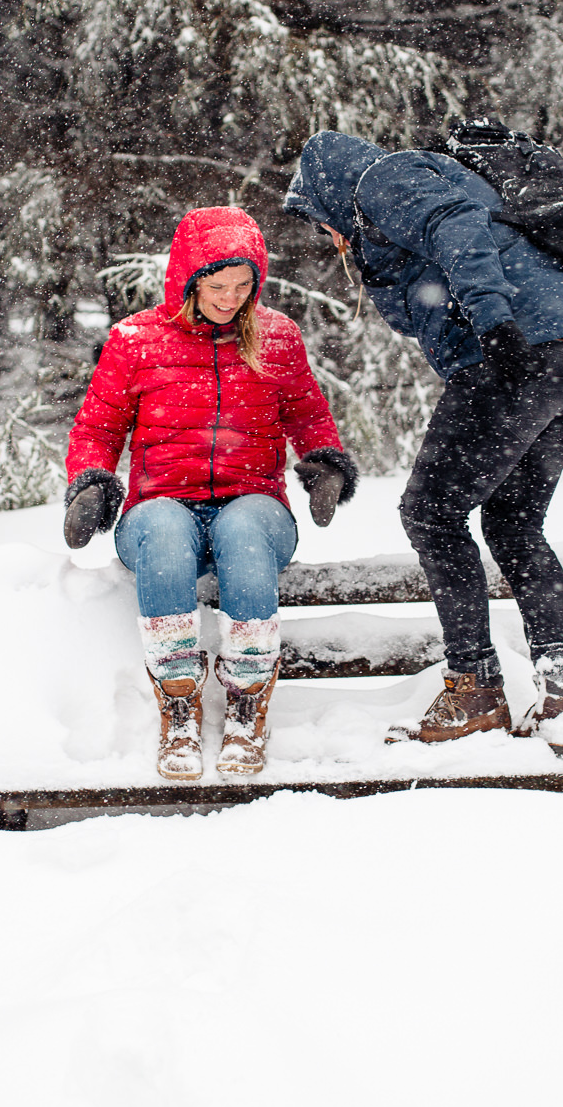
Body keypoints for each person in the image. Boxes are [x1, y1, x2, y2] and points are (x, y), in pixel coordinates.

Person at [283, 130, 563, 757]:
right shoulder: (406, 203)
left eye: (323, 222)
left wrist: (492, 318)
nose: (329, 237)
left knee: (430, 512)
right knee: (513, 526)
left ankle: (475, 688)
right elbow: (436, 278)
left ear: (328, 192)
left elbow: (459, 226)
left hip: (519, 353)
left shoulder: (382, 179)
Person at [62, 206, 357, 781]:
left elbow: (308, 415)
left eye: (244, 285)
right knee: (167, 533)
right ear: (188, 279)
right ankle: (179, 709)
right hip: (160, 506)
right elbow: (97, 428)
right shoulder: (135, 340)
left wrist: (324, 465)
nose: (231, 297)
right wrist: (92, 485)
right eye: (218, 285)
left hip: (255, 505)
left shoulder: (275, 337)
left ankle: (248, 709)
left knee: (242, 531)